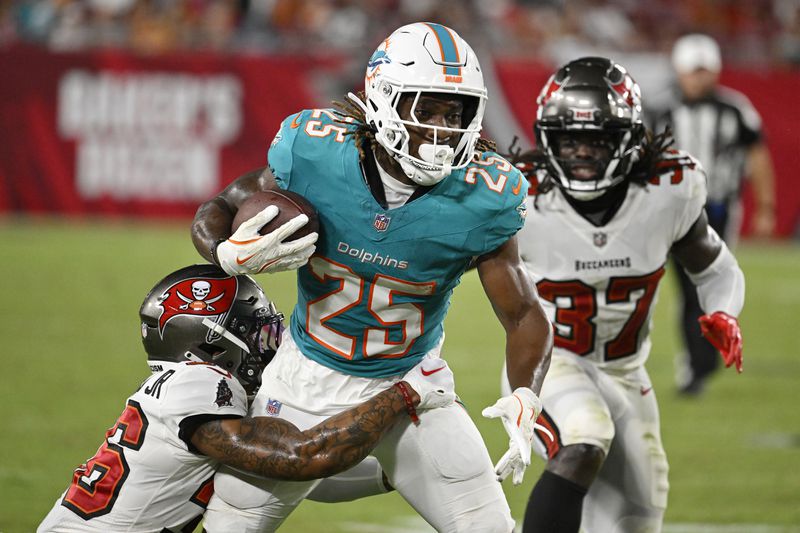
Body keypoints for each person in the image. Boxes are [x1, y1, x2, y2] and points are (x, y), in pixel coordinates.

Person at [191, 22, 553, 533]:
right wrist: (225, 253)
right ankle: (379, 471)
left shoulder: (485, 197)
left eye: (455, 112)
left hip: (412, 387)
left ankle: (387, 467)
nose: (441, 128)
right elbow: (221, 205)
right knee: (231, 525)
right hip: (302, 381)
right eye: (424, 108)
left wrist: (526, 395)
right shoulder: (316, 153)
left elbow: (522, 313)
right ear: (383, 99)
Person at [501, 57, 745, 532]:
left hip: (627, 372)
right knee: (584, 439)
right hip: (549, 362)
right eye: (569, 139)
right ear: (547, 136)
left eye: (598, 139)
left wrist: (723, 311)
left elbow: (715, 266)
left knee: (639, 517)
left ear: (630, 139)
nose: (582, 153)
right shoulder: (518, 196)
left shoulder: (668, 191)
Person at [38, 264, 457, 532]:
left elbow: (304, 480)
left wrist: (399, 469)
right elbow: (300, 458)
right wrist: (406, 393)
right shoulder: (198, 386)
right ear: (212, 347)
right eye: (257, 331)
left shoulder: (193, 392)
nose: (268, 342)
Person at [651, 33, 775, 395]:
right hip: (672, 210)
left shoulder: (735, 109)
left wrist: (765, 206)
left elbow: (758, 157)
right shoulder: (659, 109)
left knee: (712, 281)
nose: (698, 78)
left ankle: (699, 361)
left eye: (704, 71)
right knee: (689, 289)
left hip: (720, 209)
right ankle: (698, 362)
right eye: (693, 71)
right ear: (679, 70)